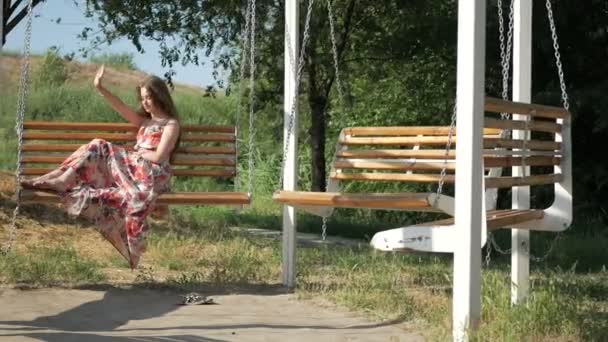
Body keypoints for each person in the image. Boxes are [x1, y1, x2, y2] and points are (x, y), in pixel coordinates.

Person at [20, 65, 181, 269]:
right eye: (142, 98)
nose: (145, 102)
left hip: (151, 174)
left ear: (159, 96)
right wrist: (100, 87)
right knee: (97, 145)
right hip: (135, 169)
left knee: (99, 144)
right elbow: (120, 107)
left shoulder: (170, 124)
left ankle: (62, 180)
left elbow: (159, 156)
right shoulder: (144, 122)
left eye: (148, 97)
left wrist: (137, 153)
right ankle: (62, 179)